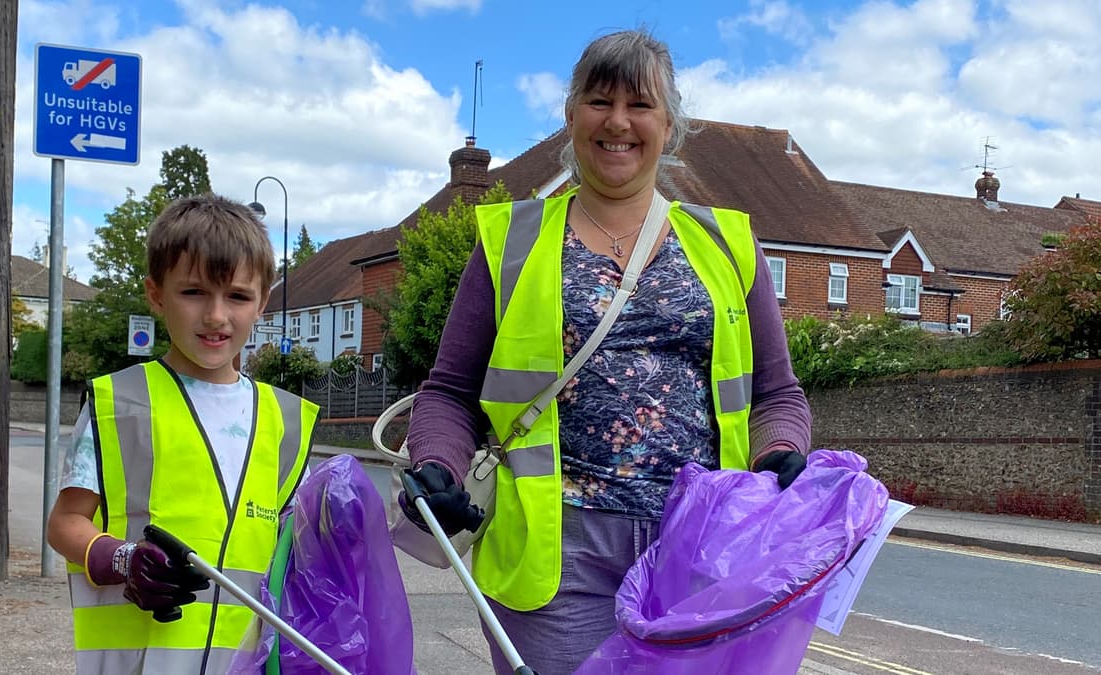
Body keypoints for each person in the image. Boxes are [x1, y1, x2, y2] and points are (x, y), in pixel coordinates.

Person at [402, 29, 812, 675]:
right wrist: (437, 465)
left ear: (669, 126)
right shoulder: (511, 240)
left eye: (639, 105)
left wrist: (778, 449)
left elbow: (776, 393)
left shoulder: (728, 244)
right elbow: (450, 391)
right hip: (557, 551)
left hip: (702, 546)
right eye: (599, 101)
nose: (618, 121)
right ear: (571, 116)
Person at [47, 195, 319, 675]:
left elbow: (297, 552)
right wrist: (123, 559)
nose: (216, 315)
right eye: (194, 292)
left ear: (263, 302)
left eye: (237, 296)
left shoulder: (285, 421)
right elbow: (66, 522)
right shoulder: (120, 404)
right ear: (156, 294)